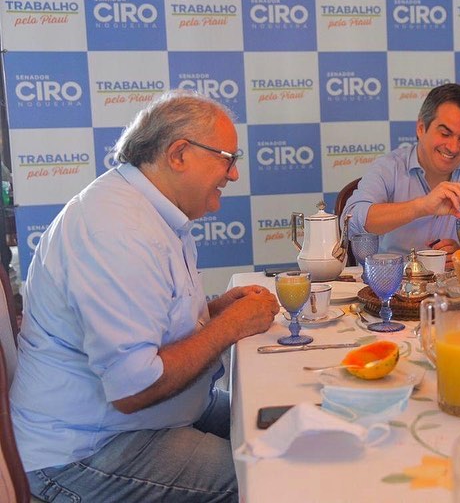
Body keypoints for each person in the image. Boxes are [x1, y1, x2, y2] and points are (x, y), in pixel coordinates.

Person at [11, 90, 280, 501]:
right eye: (228, 158)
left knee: (289, 426)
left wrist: (213, 311)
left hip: (150, 419)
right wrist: (228, 327)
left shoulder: (147, 210)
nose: (233, 174)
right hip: (85, 450)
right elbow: (133, 387)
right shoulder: (117, 230)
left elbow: (150, 324)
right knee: (273, 478)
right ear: (179, 154)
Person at [343, 83, 460, 258]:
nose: (453, 147)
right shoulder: (389, 167)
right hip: (395, 275)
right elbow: (350, 223)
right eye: (445, 134)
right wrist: (421, 206)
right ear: (421, 128)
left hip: (455, 276)